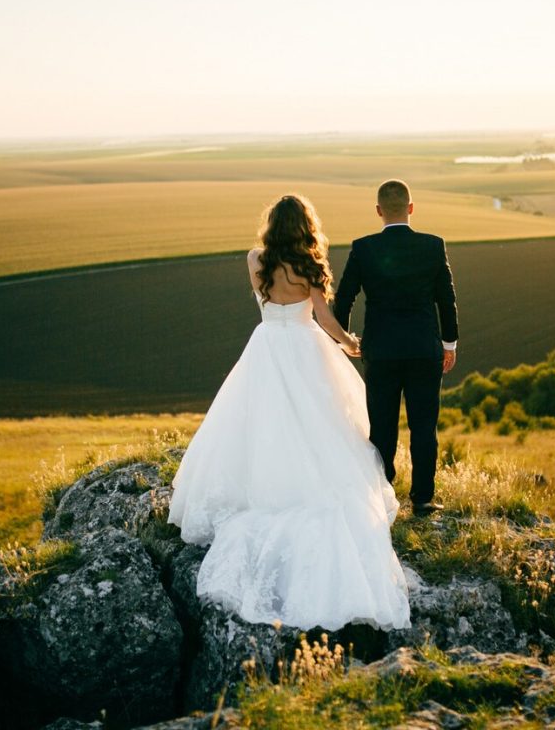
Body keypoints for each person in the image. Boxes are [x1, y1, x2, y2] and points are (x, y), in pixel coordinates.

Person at [167, 194, 411, 632]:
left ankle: (261, 485)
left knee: (259, 423)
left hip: (266, 345)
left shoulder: (255, 260)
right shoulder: (309, 264)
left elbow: (266, 304)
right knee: (321, 424)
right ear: (305, 226)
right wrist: (349, 344)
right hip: (304, 346)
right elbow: (324, 319)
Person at [333, 179, 458, 517]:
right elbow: (446, 300)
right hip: (423, 349)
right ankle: (423, 499)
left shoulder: (363, 248)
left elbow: (344, 298)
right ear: (411, 208)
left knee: (382, 426)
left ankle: (382, 495)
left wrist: (342, 341)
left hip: (380, 351)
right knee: (424, 426)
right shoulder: (433, 246)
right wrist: (449, 343)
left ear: (379, 211)